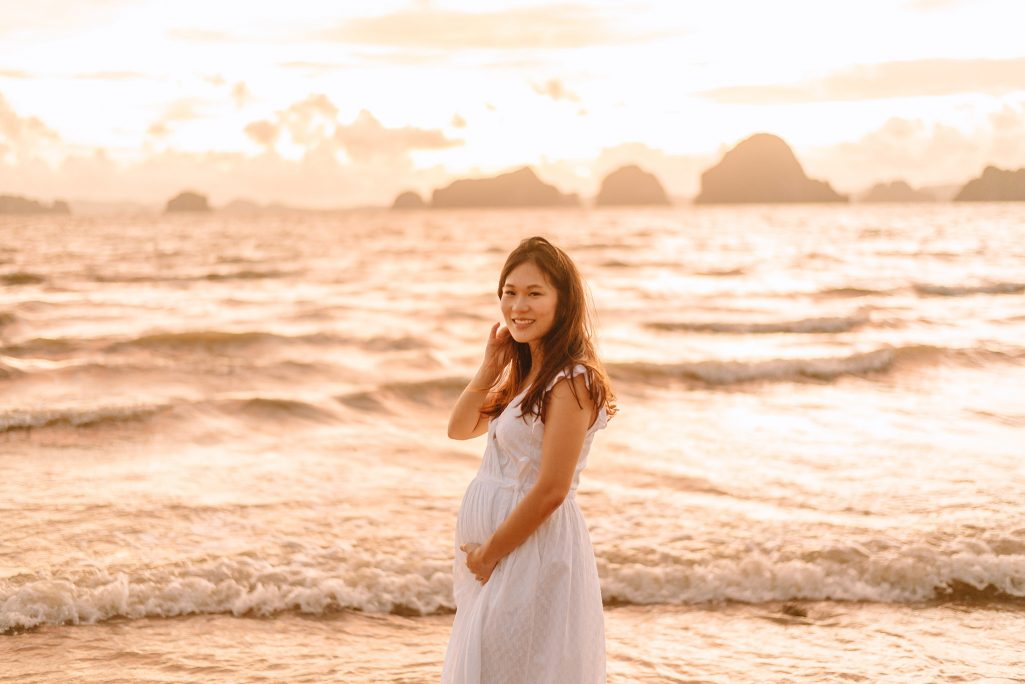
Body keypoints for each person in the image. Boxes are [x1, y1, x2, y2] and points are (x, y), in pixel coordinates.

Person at [441, 236, 616, 683]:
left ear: (564, 302)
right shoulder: (528, 374)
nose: (518, 305)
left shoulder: (572, 381)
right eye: (509, 292)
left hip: (531, 550)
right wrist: (489, 366)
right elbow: (459, 427)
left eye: (535, 293)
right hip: (501, 553)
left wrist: (489, 555)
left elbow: (552, 489)